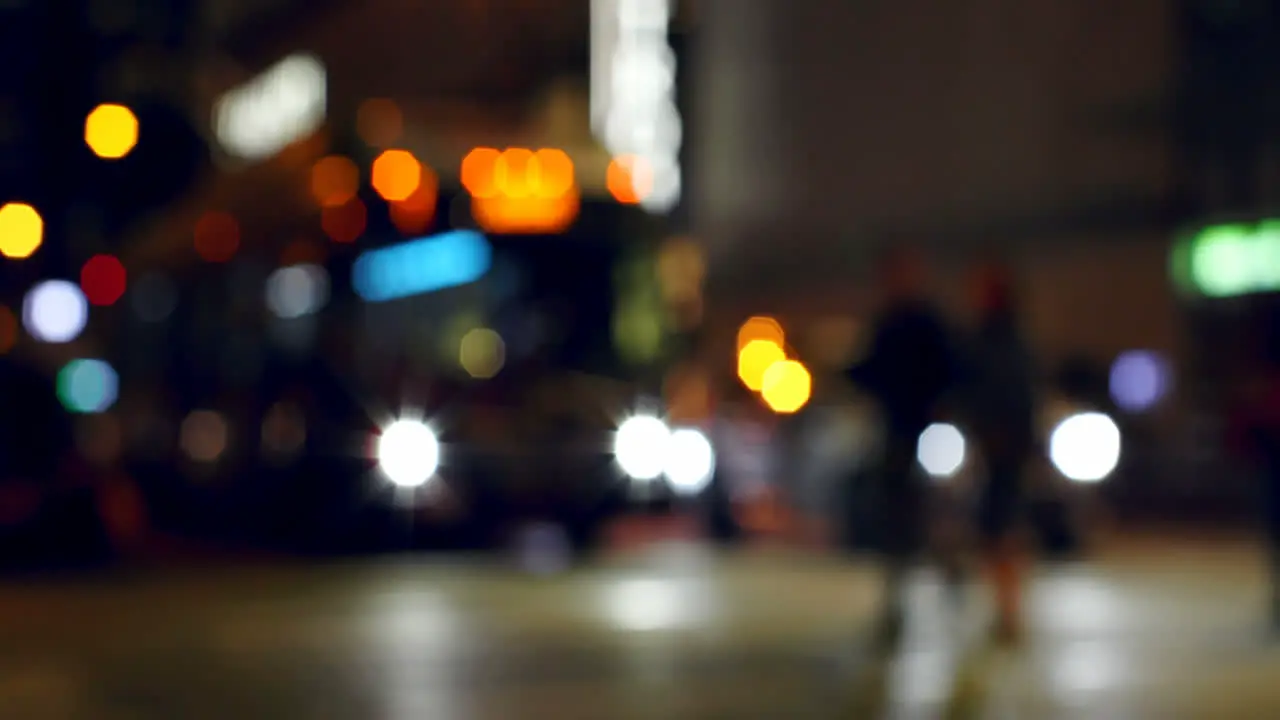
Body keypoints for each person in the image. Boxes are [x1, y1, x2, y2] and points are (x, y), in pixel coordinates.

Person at [845, 245, 958, 648]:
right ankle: (898, 605)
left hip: (929, 436)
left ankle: (950, 589)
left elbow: (952, 372)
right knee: (899, 523)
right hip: (898, 437)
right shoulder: (890, 323)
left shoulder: (927, 323)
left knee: (933, 517)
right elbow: (871, 371)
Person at [958, 261, 1038, 645]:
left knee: (1000, 528)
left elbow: (1013, 394)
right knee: (994, 528)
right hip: (994, 446)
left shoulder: (1002, 341)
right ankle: (1005, 609)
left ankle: (1008, 610)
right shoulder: (990, 339)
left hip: (1003, 448)